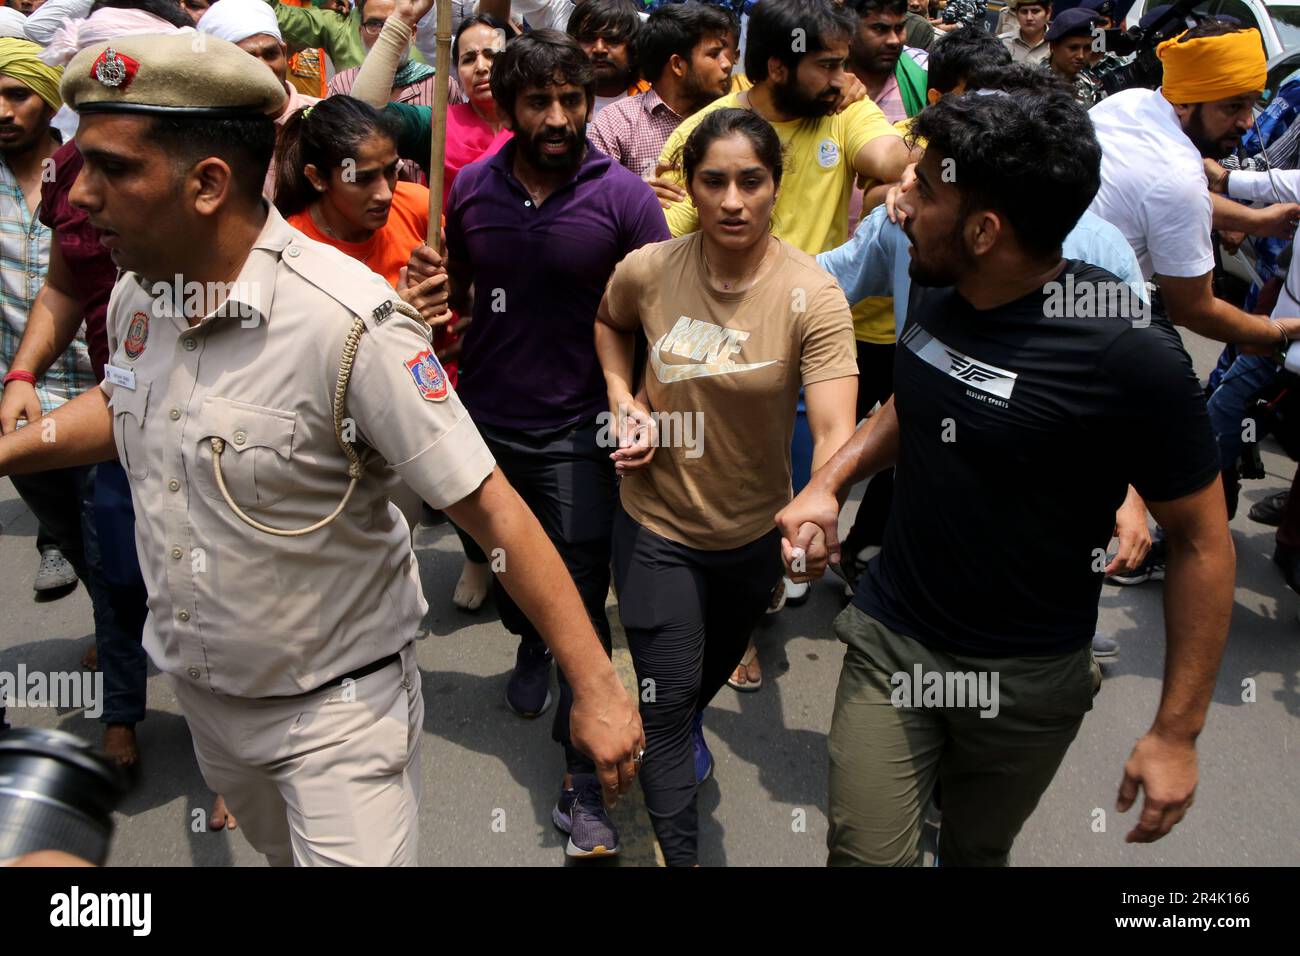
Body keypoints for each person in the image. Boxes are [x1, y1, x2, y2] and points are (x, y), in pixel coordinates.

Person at [2, 31, 644, 866]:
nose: (79, 196)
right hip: (209, 705)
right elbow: (127, 404)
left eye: (114, 168)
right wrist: (12, 448)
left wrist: (596, 685)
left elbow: (492, 511)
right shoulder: (139, 292)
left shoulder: (350, 325)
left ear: (207, 184)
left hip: (338, 720)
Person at [780, 87, 1232, 866]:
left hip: (1026, 683)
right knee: (865, 856)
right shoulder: (937, 282)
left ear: (985, 231)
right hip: (895, 645)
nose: (899, 200)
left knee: (977, 854)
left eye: (924, 189)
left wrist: (1175, 733)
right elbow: (911, 398)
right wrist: (831, 483)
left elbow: (1202, 544)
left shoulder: (1128, 352)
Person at [597, 108, 858, 866]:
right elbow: (609, 323)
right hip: (655, 530)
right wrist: (624, 401)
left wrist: (820, 505)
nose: (733, 200)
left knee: (694, 689)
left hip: (751, 541)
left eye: (751, 181)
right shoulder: (650, 268)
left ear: (778, 186)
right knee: (671, 704)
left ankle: (675, 726)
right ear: (690, 187)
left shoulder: (814, 295)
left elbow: (838, 429)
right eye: (714, 182)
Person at [433, 28, 668, 859]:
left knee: (575, 589)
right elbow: (458, 295)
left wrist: (636, 403)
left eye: (575, 99)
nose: (562, 116)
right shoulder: (466, 190)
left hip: (580, 431)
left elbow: (657, 323)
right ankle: (527, 637)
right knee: (505, 574)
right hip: (482, 427)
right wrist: (434, 310)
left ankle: (582, 779)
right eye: (541, 101)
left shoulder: (627, 199)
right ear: (507, 107)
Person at [658, 0, 910, 688]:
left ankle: (749, 599)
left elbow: (887, 152)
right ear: (778, 65)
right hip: (707, 348)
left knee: (788, 483)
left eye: (843, 62)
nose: (844, 75)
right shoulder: (702, 131)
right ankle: (722, 630)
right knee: (712, 491)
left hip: (805, 345)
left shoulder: (845, 114)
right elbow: (658, 230)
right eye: (827, 64)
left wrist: (912, 167)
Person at [1090, 19, 1300, 586]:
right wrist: (1282, 332)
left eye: (1252, 104)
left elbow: (1171, 201)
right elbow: (1194, 309)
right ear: (1189, 103)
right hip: (1094, 337)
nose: (1249, 122)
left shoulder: (1132, 105)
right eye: (1233, 107)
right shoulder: (1177, 176)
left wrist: (1258, 218)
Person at [0, 39, 88, 597]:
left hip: (97, 391)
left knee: (124, 534)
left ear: (48, 99)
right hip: (17, 400)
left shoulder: (86, 168)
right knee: (68, 531)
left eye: (16, 95)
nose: (3, 112)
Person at [352, 6, 513, 208]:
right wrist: (403, 17)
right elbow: (363, 114)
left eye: (491, 54)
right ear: (458, 74)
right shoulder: (438, 125)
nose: (481, 67)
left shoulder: (535, 123)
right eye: (469, 59)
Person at [588, 2, 734, 176]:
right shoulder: (616, 123)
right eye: (713, 54)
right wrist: (640, 194)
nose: (726, 64)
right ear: (677, 65)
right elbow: (592, 196)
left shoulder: (730, 118)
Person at [845, 0, 928, 122]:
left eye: (899, 28)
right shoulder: (823, 79)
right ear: (849, 32)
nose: (894, 40)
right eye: (880, 28)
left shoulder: (924, 69)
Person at [567, 0, 650, 112]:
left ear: (633, 47)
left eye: (612, 40)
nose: (599, 49)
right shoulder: (557, 102)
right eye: (588, 39)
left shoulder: (655, 101)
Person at [1044, 6, 1104, 106]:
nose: (1081, 55)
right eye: (1073, 48)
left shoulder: (1091, 86)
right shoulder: (1033, 84)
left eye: (1087, 48)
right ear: (1053, 46)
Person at [999, 0, 1050, 65]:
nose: (1029, 18)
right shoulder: (1001, 43)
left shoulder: (1056, 45)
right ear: (1016, 14)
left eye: (1035, 11)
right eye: (1024, 12)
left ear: (1048, 13)